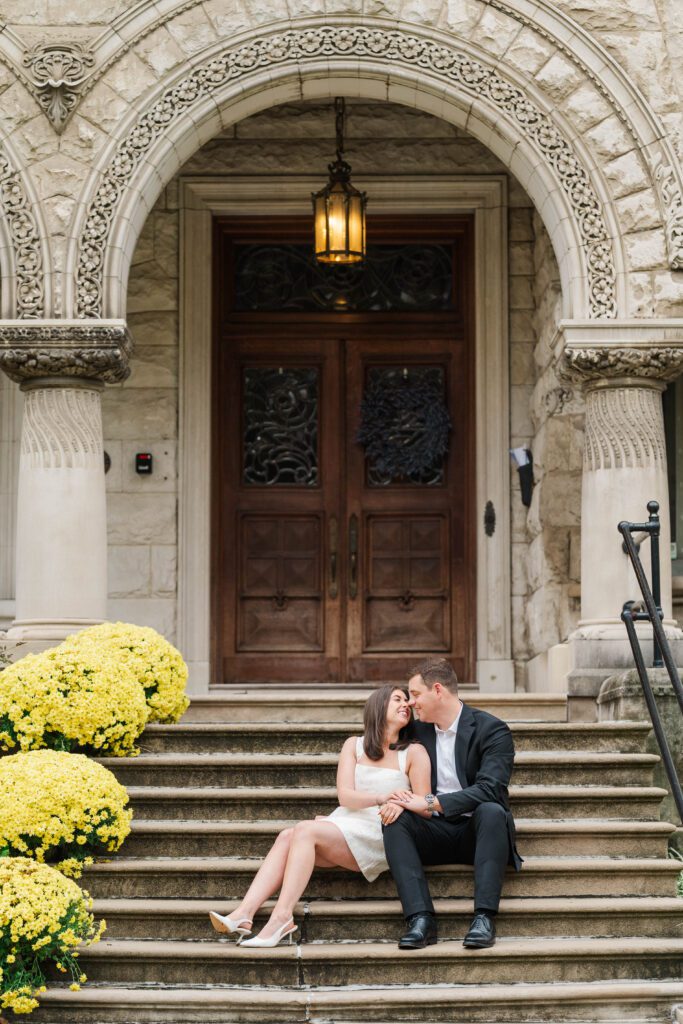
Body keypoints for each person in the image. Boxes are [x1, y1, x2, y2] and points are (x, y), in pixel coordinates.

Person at [208, 684, 431, 947]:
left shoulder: (414, 753)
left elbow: (425, 805)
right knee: (286, 836)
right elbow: (345, 796)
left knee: (304, 830)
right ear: (378, 706)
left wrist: (401, 804)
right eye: (397, 699)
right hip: (347, 822)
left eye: (408, 700)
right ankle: (245, 913)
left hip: (381, 832)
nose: (406, 704)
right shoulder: (354, 746)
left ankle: (281, 917)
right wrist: (380, 797)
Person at [382, 657, 522, 951]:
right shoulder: (416, 731)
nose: (410, 703)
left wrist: (431, 802)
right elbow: (380, 743)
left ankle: (484, 918)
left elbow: (490, 790)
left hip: (478, 833)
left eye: (415, 695)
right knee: (396, 820)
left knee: (493, 811)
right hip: (433, 832)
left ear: (437, 690)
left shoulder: (492, 730)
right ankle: (420, 919)